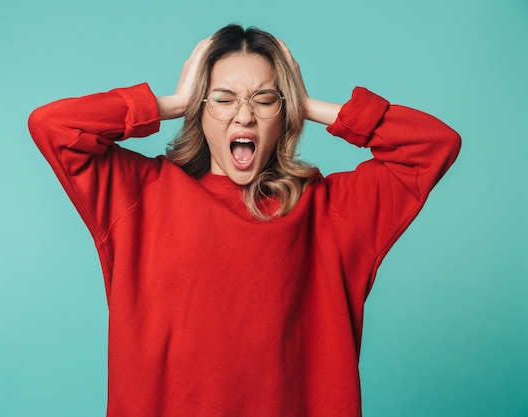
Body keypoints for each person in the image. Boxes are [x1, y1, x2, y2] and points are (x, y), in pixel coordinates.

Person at [28, 24, 460, 417]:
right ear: (200, 109)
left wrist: (309, 104)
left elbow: (433, 144)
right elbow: (53, 126)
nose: (244, 114)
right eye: (223, 97)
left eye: (265, 98)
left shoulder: (330, 211)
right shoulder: (139, 194)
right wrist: (171, 103)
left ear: (283, 112)